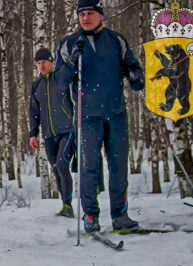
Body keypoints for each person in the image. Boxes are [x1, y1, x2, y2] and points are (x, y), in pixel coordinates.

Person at [53, 0, 145, 233]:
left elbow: (132, 65)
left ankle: (120, 215)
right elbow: (59, 81)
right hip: (87, 117)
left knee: (118, 166)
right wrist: (71, 62)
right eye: (82, 14)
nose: (85, 18)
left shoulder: (116, 40)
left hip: (116, 114)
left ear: (101, 15)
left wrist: (136, 76)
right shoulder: (69, 44)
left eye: (90, 13)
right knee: (88, 167)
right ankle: (91, 216)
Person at [29, 47, 75, 218]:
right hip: (48, 134)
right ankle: (65, 205)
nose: (41, 66)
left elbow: (75, 100)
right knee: (55, 168)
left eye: (44, 62)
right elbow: (34, 111)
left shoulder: (61, 79)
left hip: (67, 130)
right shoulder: (36, 85)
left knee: (62, 164)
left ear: (51, 62)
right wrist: (33, 134)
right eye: (38, 63)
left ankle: (68, 205)